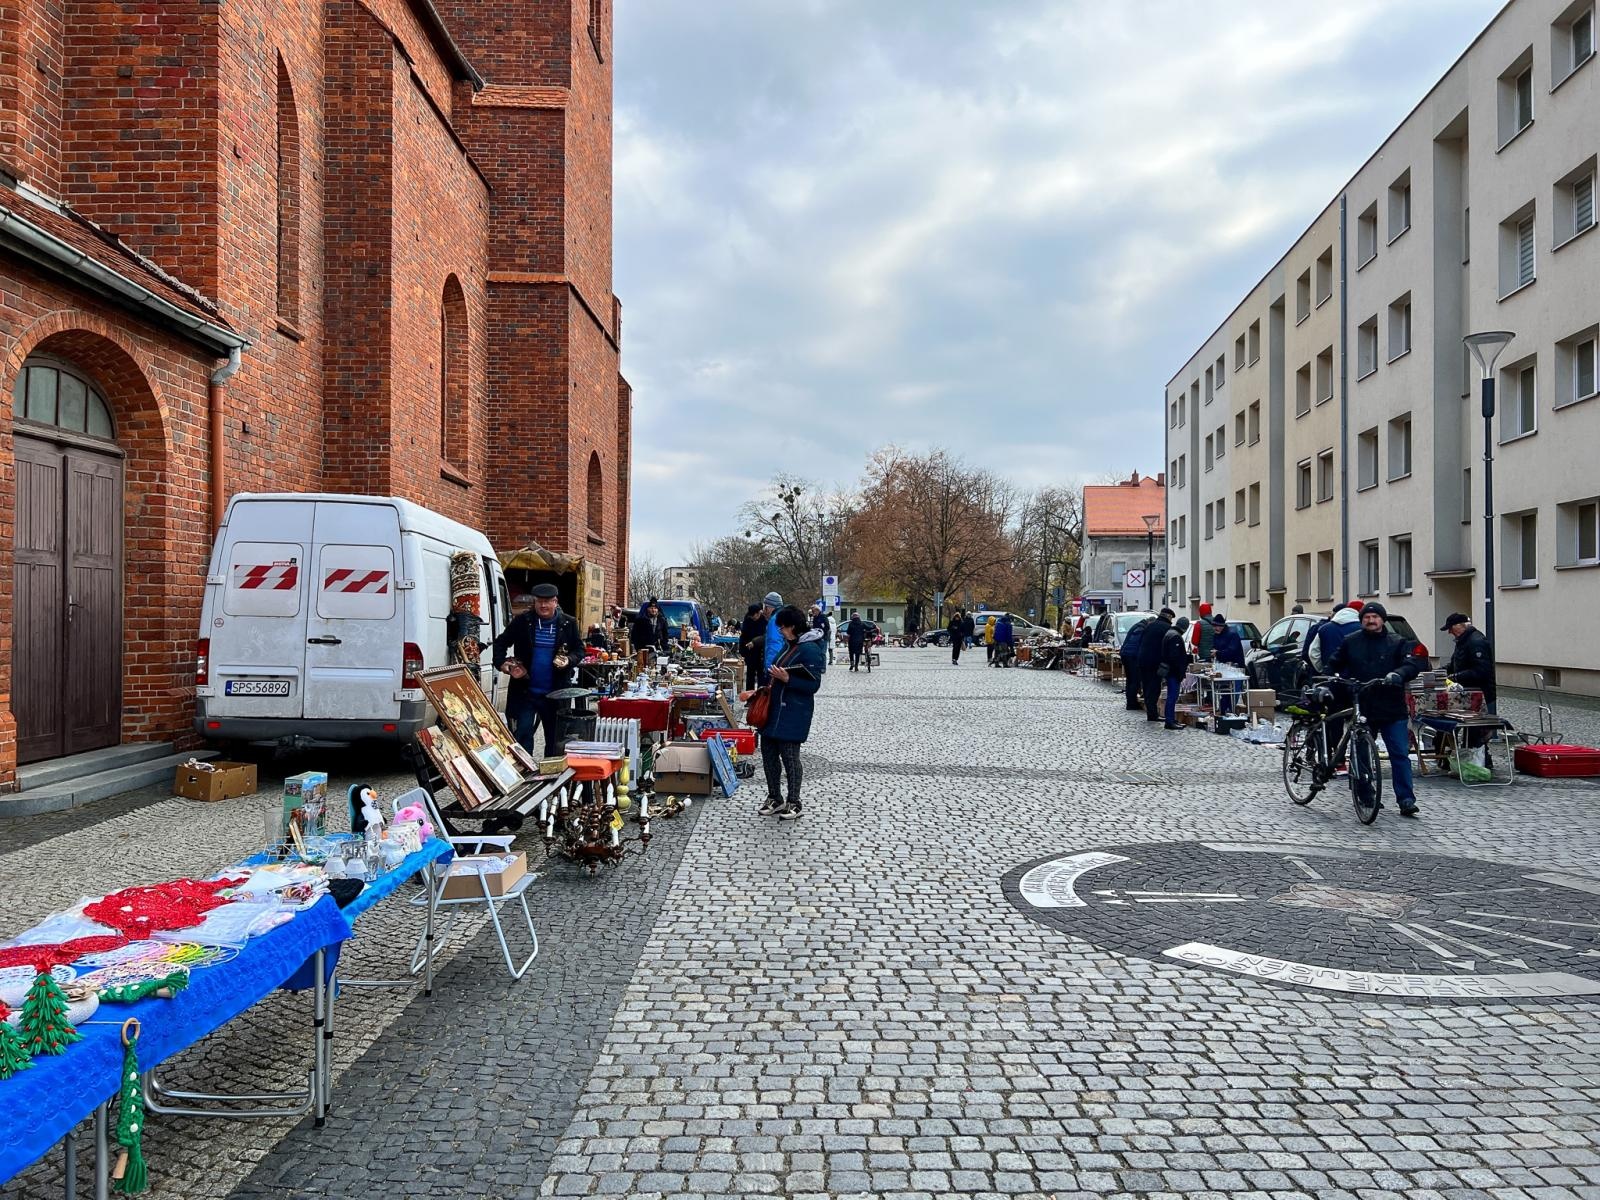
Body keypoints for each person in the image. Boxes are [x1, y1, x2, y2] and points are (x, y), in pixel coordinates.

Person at [1329, 601, 1425, 817]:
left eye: (1375, 617)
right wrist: (1338, 680)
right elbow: (1334, 663)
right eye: (1366, 617)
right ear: (1361, 620)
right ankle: (1366, 793)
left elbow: (1413, 664)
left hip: (1392, 707)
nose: (1371, 621)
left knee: (1399, 754)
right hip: (1363, 706)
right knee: (1361, 753)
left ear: (1383, 620)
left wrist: (1399, 674)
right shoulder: (1351, 641)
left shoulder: (1398, 642)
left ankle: (1406, 799)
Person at [740, 604, 825, 820]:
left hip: (794, 712)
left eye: (783, 627)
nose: (780, 631)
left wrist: (788, 679)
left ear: (793, 627)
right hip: (773, 710)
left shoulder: (810, 649)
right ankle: (774, 797)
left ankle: (794, 801)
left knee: (790, 757)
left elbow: (813, 685)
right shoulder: (788, 645)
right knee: (768, 754)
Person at [493, 582, 586, 757]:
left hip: (555, 693)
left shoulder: (568, 623)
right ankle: (525, 772)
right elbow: (501, 642)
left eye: (548, 601)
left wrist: (568, 660)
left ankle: (550, 777)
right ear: (534, 602)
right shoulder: (523, 621)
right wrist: (502, 663)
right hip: (526, 691)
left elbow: (580, 650)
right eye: (539, 601)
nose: (543, 605)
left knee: (554, 739)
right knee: (522, 734)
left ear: (555, 602)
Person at [1443, 612, 1497, 750]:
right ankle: (1469, 759)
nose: (1449, 632)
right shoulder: (1463, 641)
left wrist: (1455, 676)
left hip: (1480, 695)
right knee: (1470, 733)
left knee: (1477, 734)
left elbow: (1481, 671)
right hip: (1468, 694)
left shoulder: (1476, 641)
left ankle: (1480, 763)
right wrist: (1440, 672)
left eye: (1450, 628)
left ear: (1459, 626)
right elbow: (1455, 664)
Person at [1139, 608, 1175, 722]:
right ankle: (1153, 714)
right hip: (1155, 663)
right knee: (1154, 688)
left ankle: (1151, 712)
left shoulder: (1150, 625)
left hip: (1143, 660)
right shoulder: (1166, 628)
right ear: (1168, 617)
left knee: (1147, 687)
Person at [1158, 616, 1191, 728]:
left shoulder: (1170, 633)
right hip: (1173, 672)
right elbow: (1175, 657)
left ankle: (1171, 719)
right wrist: (1179, 671)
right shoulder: (1176, 637)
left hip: (1169, 670)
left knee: (1172, 696)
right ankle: (1170, 721)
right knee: (1173, 696)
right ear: (1185, 627)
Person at [1119, 615, 1152, 710]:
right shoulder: (1141, 629)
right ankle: (1131, 703)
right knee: (1134, 680)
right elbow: (1136, 644)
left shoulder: (1137, 626)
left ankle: (1130, 701)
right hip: (1132, 657)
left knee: (1130, 680)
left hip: (1126, 654)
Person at [738, 602, 765, 690]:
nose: (754, 618)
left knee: (761, 676)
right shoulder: (747, 620)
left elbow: (765, 636)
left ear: (759, 613)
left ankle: (760, 698)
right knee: (750, 675)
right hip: (750, 653)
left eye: (755, 615)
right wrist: (743, 651)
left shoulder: (764, 620)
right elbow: (743, 637)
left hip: (761, 652)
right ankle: (749, 698)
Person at [760, 591, 784, 682]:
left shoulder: (774, 621)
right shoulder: (783, 616)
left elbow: (774, 644)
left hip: (775, 668)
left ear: (768, 607)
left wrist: (770, 669)